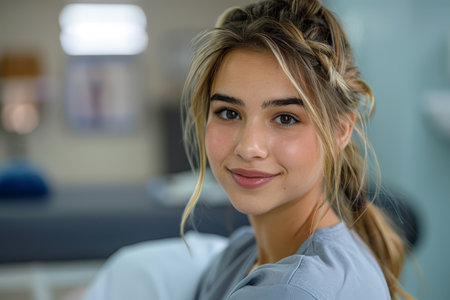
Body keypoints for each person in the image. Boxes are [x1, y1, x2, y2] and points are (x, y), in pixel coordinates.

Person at [180, 0, 413, 299]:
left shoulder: (293, 289)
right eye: (229, 113)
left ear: (340, 131)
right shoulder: (241, 254)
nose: (249, 147)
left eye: (285, 118)